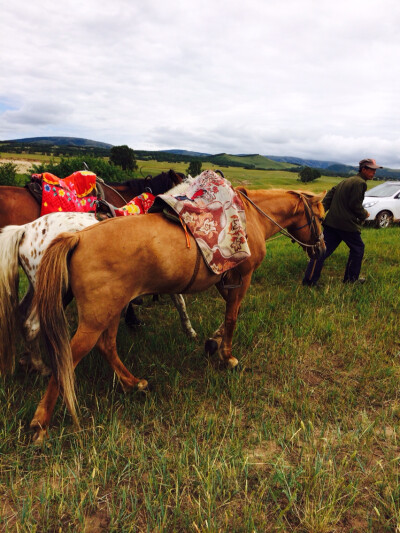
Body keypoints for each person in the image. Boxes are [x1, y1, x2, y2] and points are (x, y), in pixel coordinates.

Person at [302, 158, 382, 286]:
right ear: (364, 169)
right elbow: (354, 205)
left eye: (375, 170)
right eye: (372, 170)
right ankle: (351, 280)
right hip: (347, 225)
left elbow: (329, 196)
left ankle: (309, 280)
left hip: (332, 223)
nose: (374, 173)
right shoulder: (360, 183)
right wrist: (364, 214)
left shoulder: (346, 180)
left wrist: (322, 212)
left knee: (322, 251)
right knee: (358, 249)